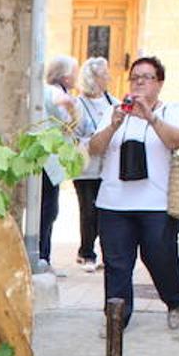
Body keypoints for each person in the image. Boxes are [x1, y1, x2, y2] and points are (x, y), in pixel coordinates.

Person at [87, 55, 179, 330]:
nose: (140, 82)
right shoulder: (113, 110)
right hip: (114, 203)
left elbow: (177, 141)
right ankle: (117, 318)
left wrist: (150, 117)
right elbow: (95, 148)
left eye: (147, 77)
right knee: (117, 264)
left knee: (160, 257)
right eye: (135, 77)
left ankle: (174, 299)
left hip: (155, 204)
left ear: (160, 83)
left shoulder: (170, 111)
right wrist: (114, 124)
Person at [71, 57, 116, 273]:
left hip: (108, 168)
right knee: (88, 210)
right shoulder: (77, 106)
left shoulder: (113, 102)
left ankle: (107, 253)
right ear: (93, 78)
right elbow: (71, 136)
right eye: (104, 74)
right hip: (86, 167)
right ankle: (86, 252)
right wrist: (91, 142)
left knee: (105, 211)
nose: (108, 77)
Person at [38, 55, 77, 276]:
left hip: (51, 162)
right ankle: (43, 257)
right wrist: (72, 109)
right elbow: (60, 101)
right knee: (48, 210)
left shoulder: (51, 90)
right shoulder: (53, 90)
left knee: (49, 210)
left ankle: (45, 256)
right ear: (65, 75)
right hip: (47, 162)